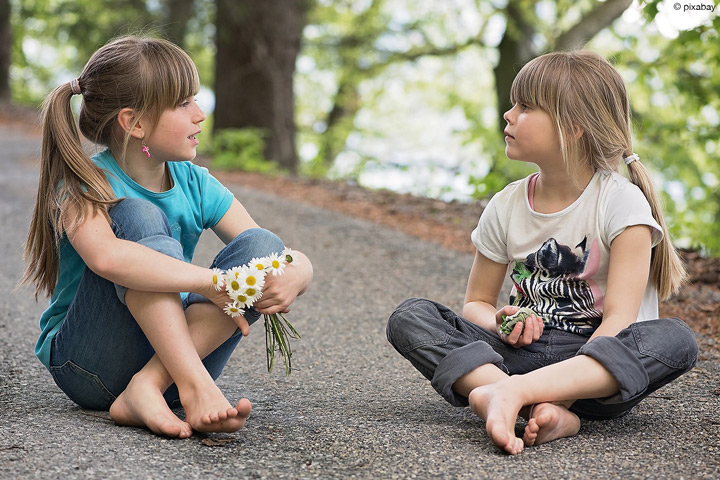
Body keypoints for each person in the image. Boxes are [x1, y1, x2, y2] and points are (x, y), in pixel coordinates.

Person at [386, 51, 697, 455]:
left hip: (593, 374)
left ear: (574, 127)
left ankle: (502, 395)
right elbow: (477, 302)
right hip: (515, 355)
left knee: (676, 339)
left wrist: (561, 395)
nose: (508, 115)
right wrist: (502, 321)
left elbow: (619, 322)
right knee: (411, 316)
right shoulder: (507, 203)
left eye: (526, 107)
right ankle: (514, 398)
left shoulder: (621, 204)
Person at [21, 36, 313, 438]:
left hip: (174, 363)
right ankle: (191, 385)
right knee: (138, 214)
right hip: (90, 364)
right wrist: (212, 282)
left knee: (262, 247)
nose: (200, 115)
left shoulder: (195, 183)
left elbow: (268, 249)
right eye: (183, 104)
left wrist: (300, 271)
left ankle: (150, 386)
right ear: (134, 123)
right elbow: (107, 259)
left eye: (196, 99)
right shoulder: (84, 184)